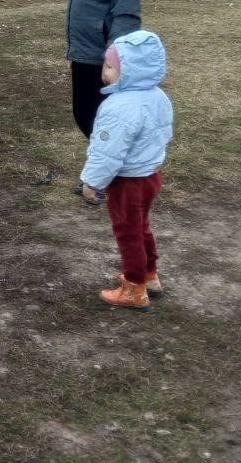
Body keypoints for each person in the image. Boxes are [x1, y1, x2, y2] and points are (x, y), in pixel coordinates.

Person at [79, 30, 173, 312]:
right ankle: (149, 275)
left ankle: (134, 288)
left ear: (130, 72)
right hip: (151, 175)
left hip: (128, 181)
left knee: (127, 231)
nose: (103, 71)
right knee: (141, 226)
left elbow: (108, 153)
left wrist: (92, 182)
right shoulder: (158, 96)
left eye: (109, 67)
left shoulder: (118, 107)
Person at [67, 0, 141, 197]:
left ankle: (108, 177)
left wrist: (114, 58)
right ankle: (104, 173)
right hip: (82, 53)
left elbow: (126, 14)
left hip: (103, 58)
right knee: (84, 114)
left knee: (98, 118)